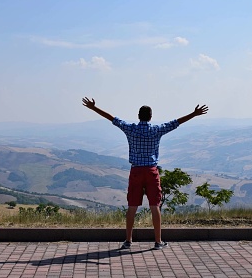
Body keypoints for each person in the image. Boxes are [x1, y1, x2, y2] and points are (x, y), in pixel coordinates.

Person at [82, 97, 208, 250]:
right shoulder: (157, 130)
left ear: (138, 116)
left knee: (132, 207)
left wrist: (94, 108)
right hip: (151, 171)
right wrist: (194, 114)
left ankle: (128, 241)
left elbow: (112, 118)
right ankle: (158, 242)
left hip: (135, 171)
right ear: (151, 117)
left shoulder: (130, 129)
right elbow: (176, 123)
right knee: (155, 206)